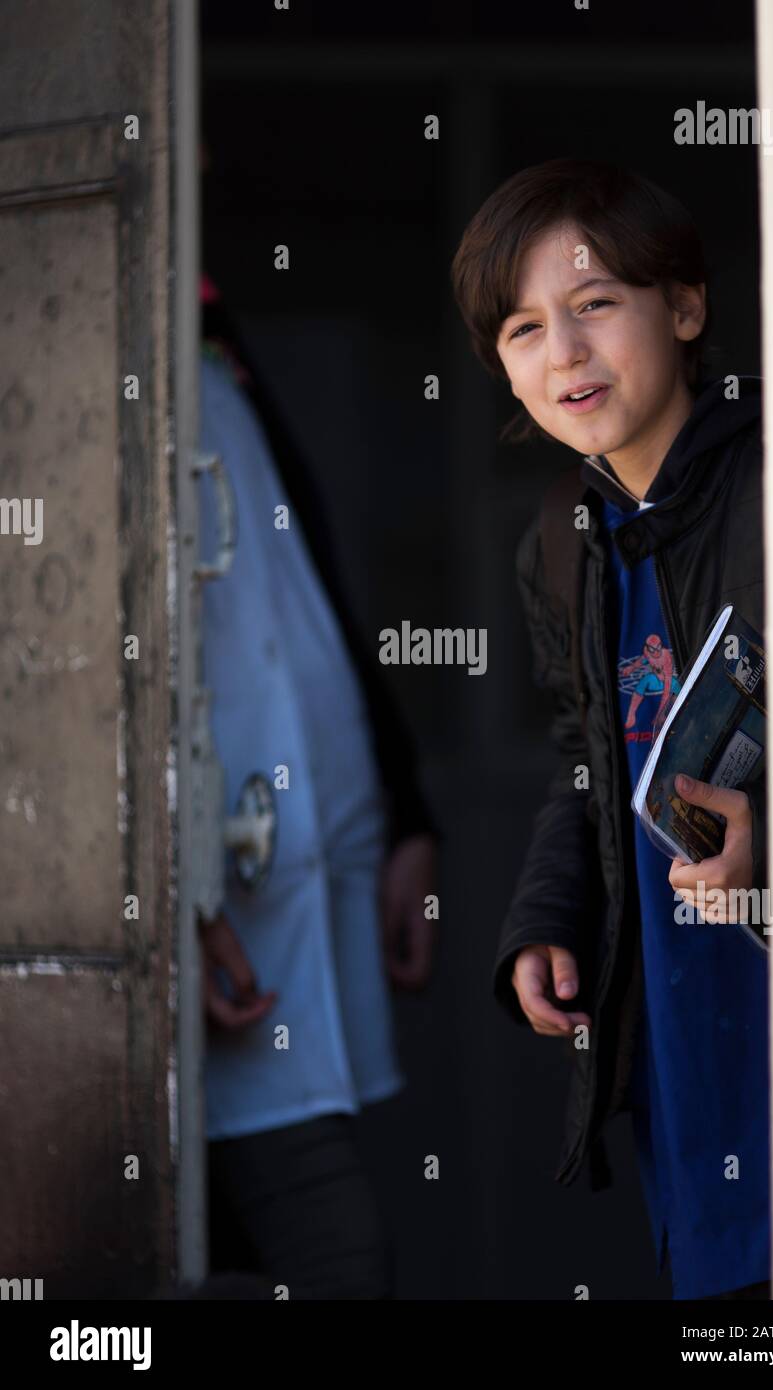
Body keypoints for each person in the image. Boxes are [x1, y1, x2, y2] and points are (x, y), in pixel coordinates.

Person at [451, 159, 771, 1301]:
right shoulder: (559, 535)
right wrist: (547, 914)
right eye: (525, 327)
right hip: (676, 1012)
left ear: (682, 308)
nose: (564, 355)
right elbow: (588, 753)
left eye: (594, 305)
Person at [196, 274, 438, 1299]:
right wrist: (175, 894)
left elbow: (309, 589)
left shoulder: (213, 330)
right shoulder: (85, 322)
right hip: (219, 899)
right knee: (333, 1248)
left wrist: (402, 815)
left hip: (319, 853)